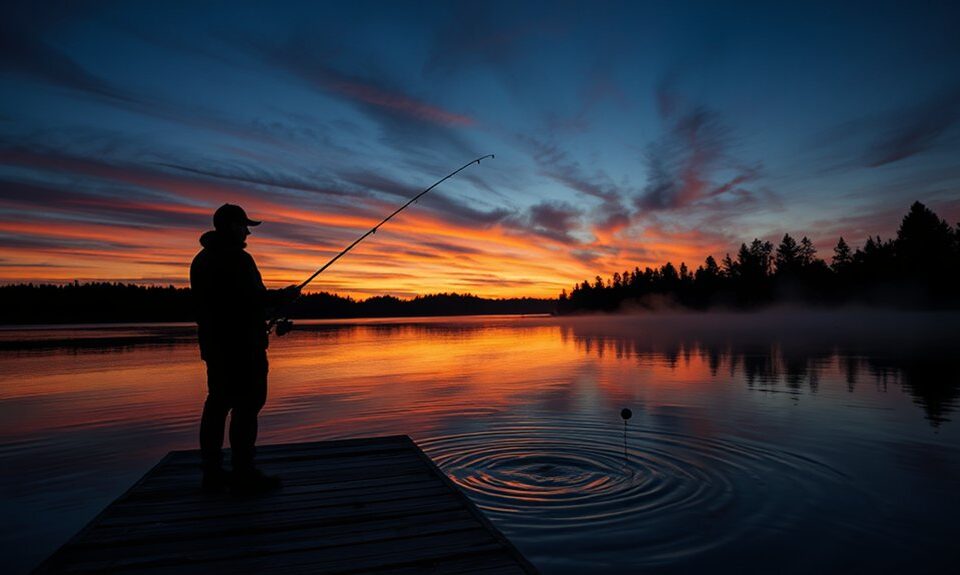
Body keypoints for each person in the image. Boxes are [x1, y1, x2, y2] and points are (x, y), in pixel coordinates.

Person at [190, 203, 299, 493]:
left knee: (217, 404)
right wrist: (283, 296)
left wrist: (273, 309)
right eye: (243, 225)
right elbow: (251, 300)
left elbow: (235, 304)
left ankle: (212, 472)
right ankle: (243, 471)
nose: (247, 231)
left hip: (216, 345)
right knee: (247, 407)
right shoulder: (238, 259)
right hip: (242, 347)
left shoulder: (201, 259)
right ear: (230, 226)